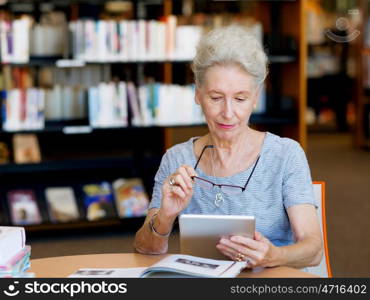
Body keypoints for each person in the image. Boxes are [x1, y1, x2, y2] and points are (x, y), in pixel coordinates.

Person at [134, 26, 323, 269]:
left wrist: (273, 256)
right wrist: (164, 217)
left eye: (240, 98)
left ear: (256, 98)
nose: (228, 113)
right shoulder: (176, 159)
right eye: (215, 97)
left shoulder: (285, 154)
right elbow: (143, 249)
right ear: (198, 95)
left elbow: (313, 249)